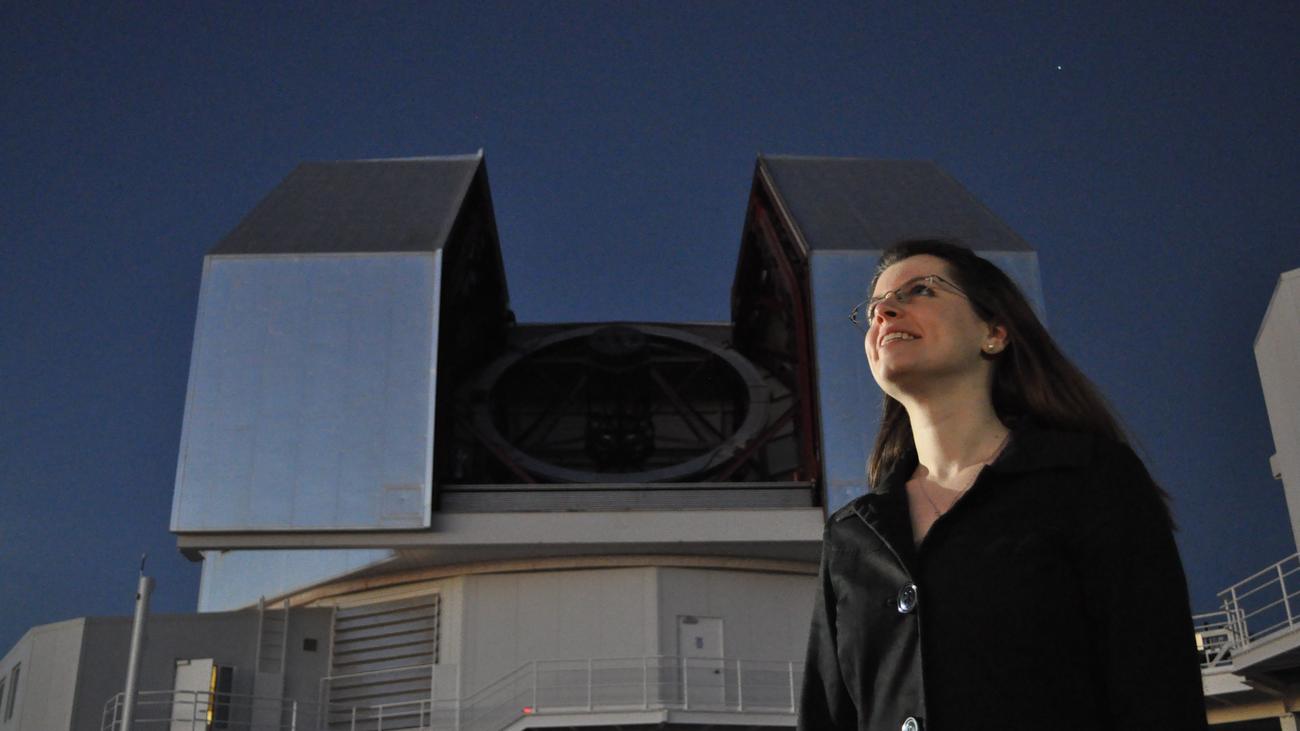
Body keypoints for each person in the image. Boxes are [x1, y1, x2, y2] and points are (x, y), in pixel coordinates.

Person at [797, 240, 1207, 730]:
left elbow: (1159, 689)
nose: (883, 311)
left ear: (993, 333)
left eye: (921, 290)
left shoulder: (1089, 479)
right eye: (873, 310)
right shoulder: (850, 535)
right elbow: (826, 715)